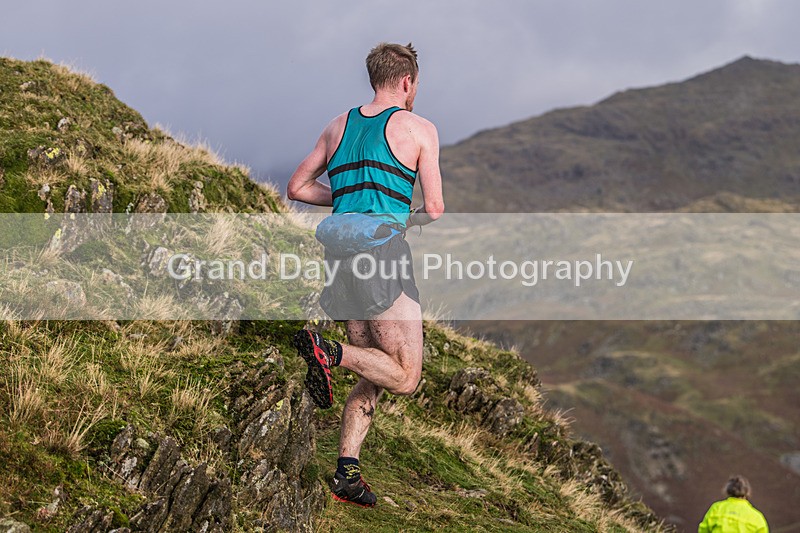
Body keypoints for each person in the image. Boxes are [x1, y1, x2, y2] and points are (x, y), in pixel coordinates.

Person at [286, 42, 444, 507]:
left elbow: (297, 187)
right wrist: (405, 218)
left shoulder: (338, 126)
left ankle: (347, 474)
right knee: (406, 375)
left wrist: (347, 201)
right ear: (407, 81)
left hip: (339, 253)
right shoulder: (419, 128)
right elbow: (434, 207)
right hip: (382, 253)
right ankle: (328, 351)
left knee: (373, 365)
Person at [698, 475, 769, 532]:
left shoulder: (717, 508)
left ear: (728, 490)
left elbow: (703, 530)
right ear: (747, 492)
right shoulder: (757, 517)